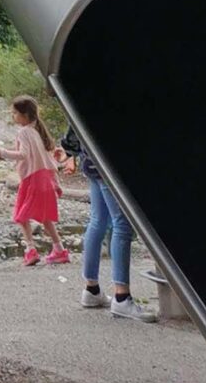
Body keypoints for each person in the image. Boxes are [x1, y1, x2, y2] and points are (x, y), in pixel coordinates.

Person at [61, 122, 151, 317]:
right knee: (122, 224)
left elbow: (72, 134)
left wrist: (72, 153)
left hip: (90, 161)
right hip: (108, 164)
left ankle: (91, 290)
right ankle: (122, 297)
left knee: (98, 220)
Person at [0, 94, 70, 266]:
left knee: (21, 216)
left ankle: (30, 250)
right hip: (45, 179)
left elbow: (23, 154)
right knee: (45, 217)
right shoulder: (39, 131)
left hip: (32, 180)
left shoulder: (24, 132)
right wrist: (55, 182)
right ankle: (59, 249)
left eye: (15, 113)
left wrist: (2, 152)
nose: (13, 116)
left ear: (25, 115)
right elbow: (49, 159)